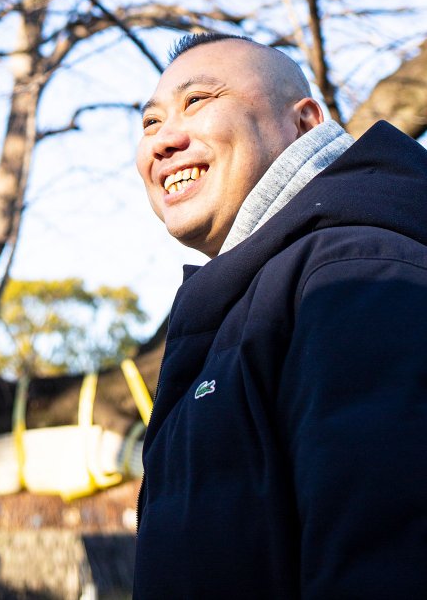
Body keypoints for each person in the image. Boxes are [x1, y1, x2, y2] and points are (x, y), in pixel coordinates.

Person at [132, 32, 427, 599]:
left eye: (198, 100)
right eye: (150, 122)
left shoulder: (355, 272)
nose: (163, 140)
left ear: (305, 124)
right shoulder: (244, 308)